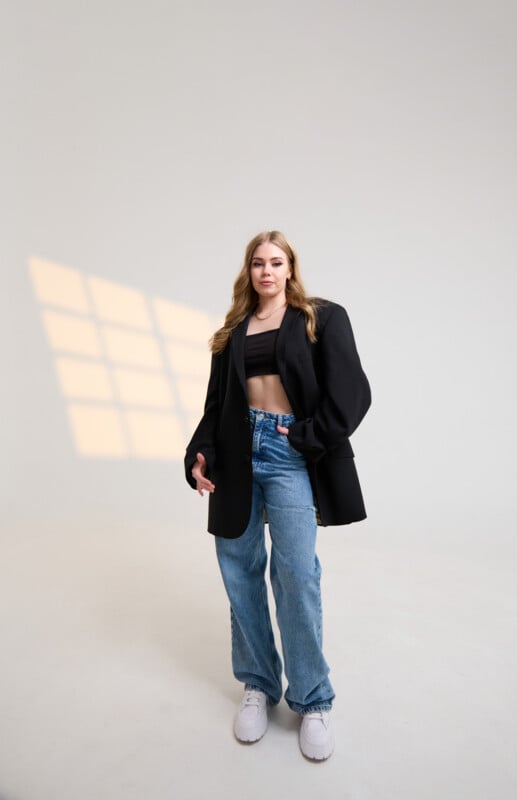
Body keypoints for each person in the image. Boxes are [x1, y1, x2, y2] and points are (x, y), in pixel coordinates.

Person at [184, 230, 371, 761]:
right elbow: (215, 404)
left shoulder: (320, 317)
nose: (267, 271)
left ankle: (312, 699)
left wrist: (310, 435)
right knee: (239, 568)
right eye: (258, 263)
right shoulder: (233, 331)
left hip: (288, 453)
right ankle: (258, 685)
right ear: (248, 272)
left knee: (296, 573)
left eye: (276, 262)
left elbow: (355, 391)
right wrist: (199, 455)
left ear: (290, 268)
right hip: (237, 451)